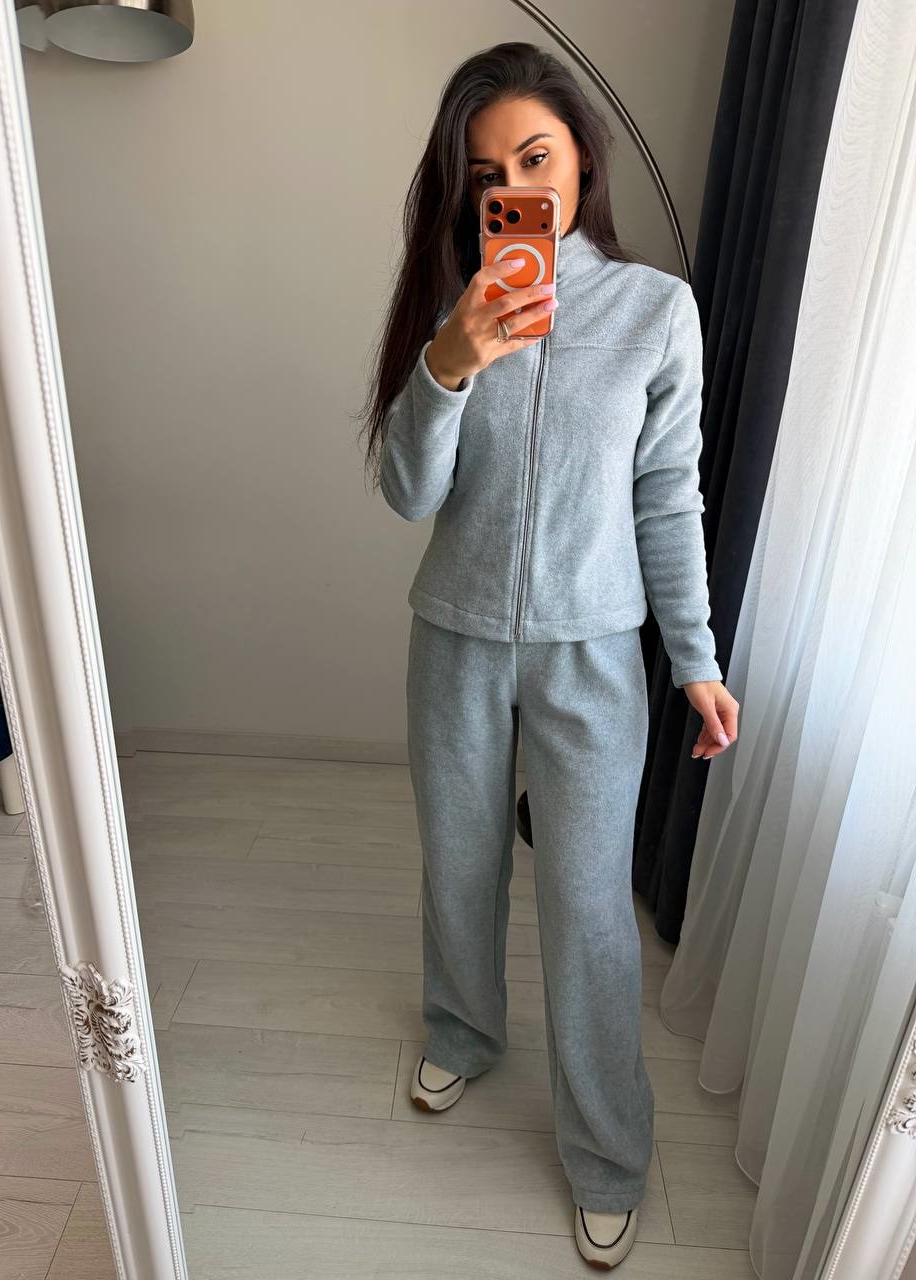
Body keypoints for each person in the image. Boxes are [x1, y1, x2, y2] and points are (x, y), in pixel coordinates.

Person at [360, 41, 739, 1271]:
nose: (514, 189)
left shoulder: (654, 312)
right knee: (460, 863)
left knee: (588, 904)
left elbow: (668, 497)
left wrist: (694, 658)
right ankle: (463, 1032)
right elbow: (408, 493)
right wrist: (451, 363)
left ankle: (609, 1151)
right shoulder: (455, 305)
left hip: (593, 654)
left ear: (582, 157)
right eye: (488, 176)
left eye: (535, 158)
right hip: (456, 639)